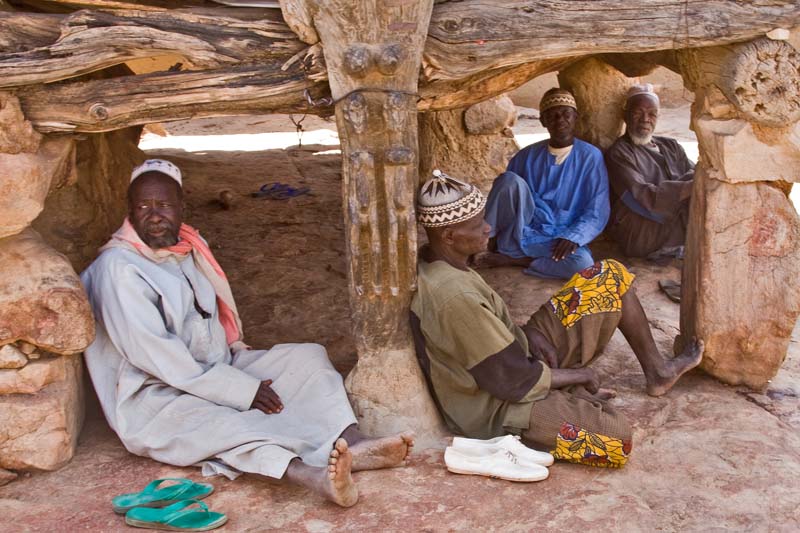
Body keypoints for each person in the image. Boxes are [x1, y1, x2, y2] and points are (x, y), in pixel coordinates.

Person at [81, 159, 413, 507]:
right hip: (154, 395)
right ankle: (312, 476)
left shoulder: (188, 247)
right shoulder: (119, 269)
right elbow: (160, 359)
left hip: (217, 367)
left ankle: (354, 441)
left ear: (182, 207)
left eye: (163, 204)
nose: (154, 214)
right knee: (227, 424)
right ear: (129, 212)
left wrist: (239, 378)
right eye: (143, 206)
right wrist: (241, 389)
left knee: (307, 359)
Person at [411, 170, 704, 468]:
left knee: (610, 276)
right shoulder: (453, 297)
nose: (488, 228)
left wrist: (527, 334)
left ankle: (657, 371)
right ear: (449, 235)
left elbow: (494, 340)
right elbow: (512, 381)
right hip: (497, 407)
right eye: (477, 225)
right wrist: (580, 376)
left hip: (516, 359)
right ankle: (557, 403)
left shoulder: (443, 261)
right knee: (616, 440)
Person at [477, 88, 610, 279]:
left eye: (566, 114)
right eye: (553, 116)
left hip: (559, 237)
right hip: (523, 229)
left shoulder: (590, 157)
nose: (560, 120)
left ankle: (513, 260)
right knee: (507, 180)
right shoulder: (526, 156)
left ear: (576, 118)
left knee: (582, 264)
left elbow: (597, 210)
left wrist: (573, 237)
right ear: (543, 121)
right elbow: (508, 197)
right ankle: (489, 245)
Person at [605, 84, 695, 259]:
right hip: (643, 227)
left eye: (652, 113)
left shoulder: (671, 145)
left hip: (675, 216)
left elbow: (696, 173)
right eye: (638, 112)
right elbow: (641, 195)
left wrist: (694, 182)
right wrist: (689, 187)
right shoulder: (619, 152)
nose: (645, 119)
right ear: (625, 116)